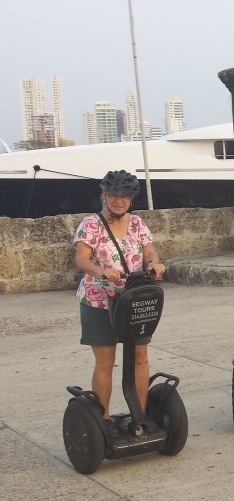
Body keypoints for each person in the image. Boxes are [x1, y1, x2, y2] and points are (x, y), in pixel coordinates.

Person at [74, 170, 167, 434]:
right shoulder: (91, 224)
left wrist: (153, 263)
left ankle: (140, 416)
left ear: (131, 199)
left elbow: (149, 250)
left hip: (131, 299)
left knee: (140, 356)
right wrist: (100, 271)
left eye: (125, 197)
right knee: (105, 361)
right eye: (114, 195)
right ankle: (101, 422)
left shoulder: (137, 223)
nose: (119, 201)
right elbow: (81, 259)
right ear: (104, 195)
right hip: (98, 301)